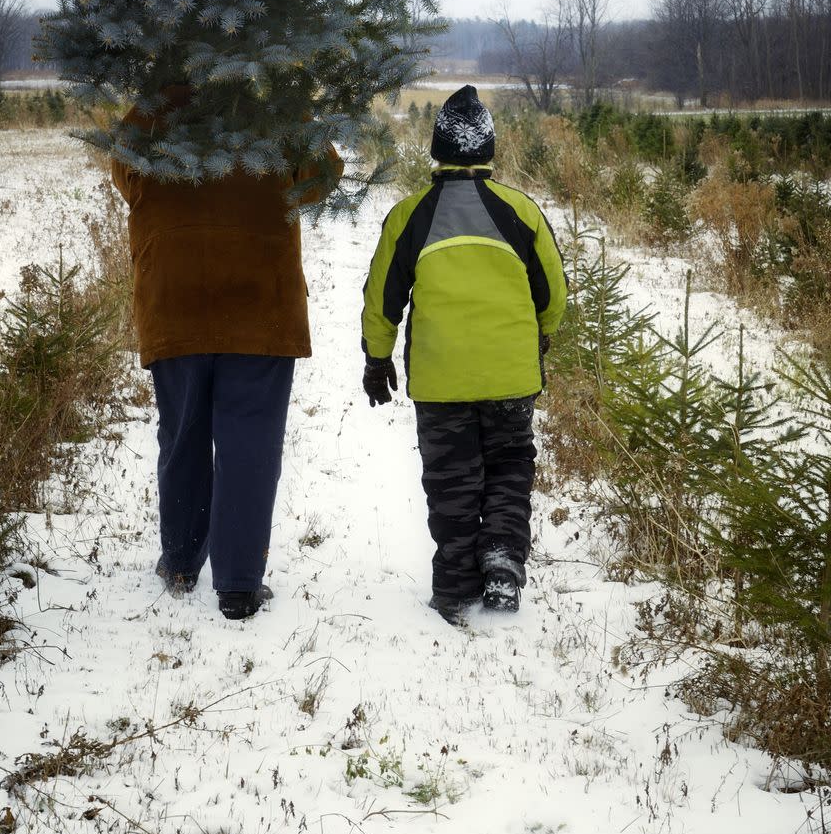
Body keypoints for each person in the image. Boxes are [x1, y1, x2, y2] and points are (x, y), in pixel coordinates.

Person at [111, 87, 342, 621]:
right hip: (260, 300)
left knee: (183, 429)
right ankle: (238, 585)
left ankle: (181, 564)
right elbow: (322, 176)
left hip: (174, 297)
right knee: (251, 440)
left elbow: (125, 173)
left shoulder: (157, 102)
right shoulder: (273, 97)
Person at [360, 85, 567, 624]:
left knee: (451, 478)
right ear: (488, 149)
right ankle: (501, 560)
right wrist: (541, 335)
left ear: (438, 148)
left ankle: (453, 585)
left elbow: (382, 298)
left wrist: (377, 359)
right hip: (511, 374)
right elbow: (554, 293)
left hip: (440, 378)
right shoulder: (521, 211)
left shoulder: (410, 216)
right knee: (508, 466)